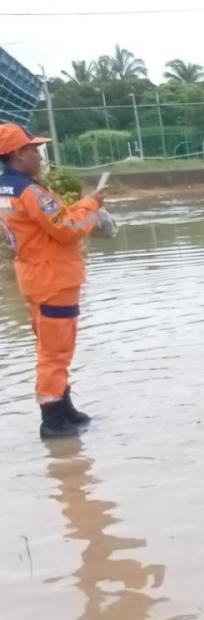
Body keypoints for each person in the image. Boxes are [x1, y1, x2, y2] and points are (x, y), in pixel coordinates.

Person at [0, 123, 106, 440]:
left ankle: (63, 409)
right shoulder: (29, 191)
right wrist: (92, 205)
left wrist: (83, 204)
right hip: (53, 278)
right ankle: (54, 420)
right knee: (55, 352)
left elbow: (53, 221)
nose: (39, 156)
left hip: (34, 276)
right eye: (34, 150)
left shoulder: (8, 190)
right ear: (19, 154)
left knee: (51, 347)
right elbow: (67, 229)